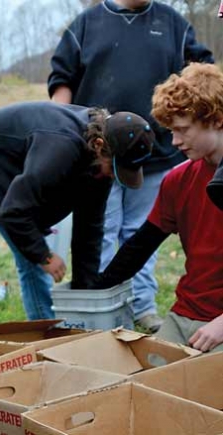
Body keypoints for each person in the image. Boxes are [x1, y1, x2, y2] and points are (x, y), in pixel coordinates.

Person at [48, 0, 214, 333]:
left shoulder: (173, 23)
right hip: (101, 156)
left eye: (184, 129)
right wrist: (60, 133)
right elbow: (61, 80)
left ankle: (141, 306)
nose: (178, 138)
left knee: (139, 230)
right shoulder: (86, 23)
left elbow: (202, 77)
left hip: (156, 160)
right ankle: (104, 311)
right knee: (104, 232)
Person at [0, 101, 155, 340]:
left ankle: (48, 338)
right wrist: (44, 255)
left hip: (7, 181)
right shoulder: (61, 145)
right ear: (100, 145)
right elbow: (14, 213)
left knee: (34, 265)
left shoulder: (99, 163)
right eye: (114, 169)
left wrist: (86, 291)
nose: (113, 176)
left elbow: (89, 230)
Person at [91, 63, 223, 352]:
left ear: (216, 120)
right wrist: (94, 292)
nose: (175, 142)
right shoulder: (178, 180)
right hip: (186, 314)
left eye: (183, 130)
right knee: (149, 380)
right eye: (171, 131)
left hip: (220, 323)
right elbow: (140, 247)